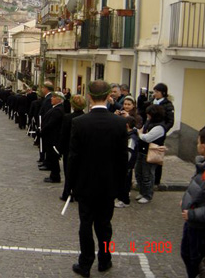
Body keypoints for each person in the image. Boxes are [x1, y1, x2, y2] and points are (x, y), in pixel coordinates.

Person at [67, 80, 127, 277]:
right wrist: (122, 189)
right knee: (105, 225)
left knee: (85, 224)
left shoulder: (79, 122)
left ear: (89, 97)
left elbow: (73, 157)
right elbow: (122, 159)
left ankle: (85, 263)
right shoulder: (119, 123)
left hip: (85, 184)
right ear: (109, 96)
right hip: (108, 185)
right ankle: (105, 259)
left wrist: (70, 186)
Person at [181, 129, 205, 278]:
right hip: (191, 223)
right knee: (187, 255)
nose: (197, 144)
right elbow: (198, 192)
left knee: (195, 261)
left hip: (200, 227)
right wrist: (186, 201)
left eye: (198, 142)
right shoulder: (204, 165)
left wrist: (192, 213)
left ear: (204, 146)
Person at [135, 105, 166, 204]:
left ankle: (147, 195)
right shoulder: (149, 123)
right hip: (142, 151)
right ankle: (142, 191)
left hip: (151, 153)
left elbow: (147, 137)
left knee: (147, 175)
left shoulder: (159, 127)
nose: (147, 115)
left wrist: (139, 134)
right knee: (138, 173)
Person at [59, 95, 86, 202]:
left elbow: (63, 135)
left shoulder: (67, 118)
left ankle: (67, 193)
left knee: (68, 172)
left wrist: (60, 149)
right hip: (82, 150)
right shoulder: (85, 118)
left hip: (69, 149)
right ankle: (77, 192)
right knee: (80, 172)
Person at [152, 83, 175, 186]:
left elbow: (170, 121)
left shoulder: (168, 105)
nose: (155, 94)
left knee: (157, 156)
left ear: (163, 93)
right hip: (150, 131)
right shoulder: (153, 102)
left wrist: (162, 130)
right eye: (154, 91)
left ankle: (156, 180)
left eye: (157, 92)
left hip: (159, 133)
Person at [114, 116, 139, 208]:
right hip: (125, 164)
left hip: (126, 165)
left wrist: (123, 163)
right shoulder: (129, 135)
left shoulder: (131, 138)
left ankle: (124, 200)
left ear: (127, 125)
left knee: (125, 182)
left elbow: (129, 152)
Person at [40, 91, 65, 183]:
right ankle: (53, 175)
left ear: (58, 100)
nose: (51, 98)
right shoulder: (55, 108)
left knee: (53, 157)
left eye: (53, 97)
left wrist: (43, 130)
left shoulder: (58, 110)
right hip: (50, 136)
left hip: (53, 137)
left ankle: (55, 176)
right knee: (51, 157)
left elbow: (51, 123)